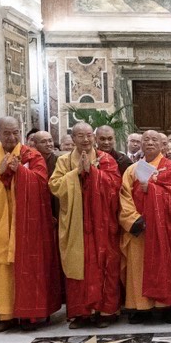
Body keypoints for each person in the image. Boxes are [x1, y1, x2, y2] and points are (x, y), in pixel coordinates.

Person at [0, 115, 61, 331]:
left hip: (28, 222)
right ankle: (4, 315)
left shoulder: (32, 155)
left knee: (30, 266)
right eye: (7, 133)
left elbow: (41, 182)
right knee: (2, 269)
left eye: (15, 133)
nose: (12, 137)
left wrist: (19, 171)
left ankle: (31, 314)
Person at [51, 122, 123, 328]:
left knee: (104, 263)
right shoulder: (64, 161)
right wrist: (76, 173)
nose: (85, 140)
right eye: (80, 136)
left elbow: (115, 185)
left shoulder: (105, 159)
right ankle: (80, 313)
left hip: (102, 222)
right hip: (75, 222)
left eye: (89, 135)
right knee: (78, 265)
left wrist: (93, 172)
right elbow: (54, 186)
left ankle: (105, 312)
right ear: (73, 139)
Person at [120, 130, 171, 322]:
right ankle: (140, 308)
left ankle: (167, 307)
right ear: (141, 144)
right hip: (140, 228)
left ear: (162, 145)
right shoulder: (132, 170)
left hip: (165, 229)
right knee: (138, 267)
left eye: (154, 140)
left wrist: (152, 189)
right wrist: (134, 220)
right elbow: (124, 196)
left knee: (166, 266)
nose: (150, 142)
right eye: (146, 139)